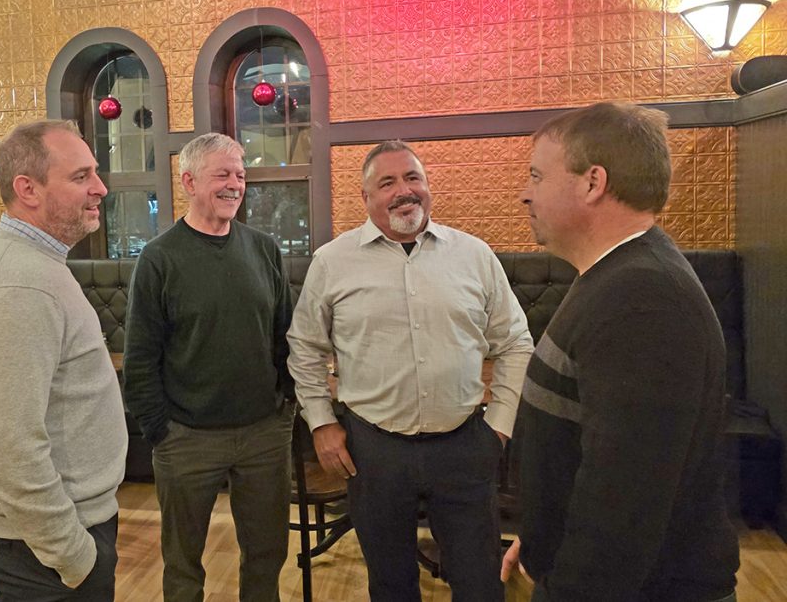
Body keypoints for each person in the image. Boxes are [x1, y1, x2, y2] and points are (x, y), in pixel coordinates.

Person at [501, 102, 740, 601]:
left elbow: (623, 506)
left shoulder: (643, 299)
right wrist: (540, 541)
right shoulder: (619, 275)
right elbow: (595, 455)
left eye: (537, 175)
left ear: (593, 183)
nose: (524, 194)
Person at [287, 140, 534, 602]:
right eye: (388, 182)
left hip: (464, 445)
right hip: (373, 451)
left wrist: (499, 427)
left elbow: (516, 342)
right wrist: (320, 422)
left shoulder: (474, 255)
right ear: (366, 199)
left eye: (413, 178)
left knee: (481, 583)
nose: (404, 191)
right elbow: (304, 348)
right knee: (391, 585)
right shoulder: (332, 262)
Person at [0, 119, 128, 600]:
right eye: (81, 176)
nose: (100, 188)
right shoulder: (17, 285)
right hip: (41, 546)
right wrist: (73, 556)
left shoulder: (34, 266)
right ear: (27, 188)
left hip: (51, 534)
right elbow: (9, 453)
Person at [123, 132, 294, 602]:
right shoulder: (159, 258)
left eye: (240, 175)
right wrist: (161, 431)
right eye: (222, 174)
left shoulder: (264, 249)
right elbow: (140, 358)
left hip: (264, 433)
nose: (234, 184)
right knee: (183, 565)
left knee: (266, 554)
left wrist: (286, 409)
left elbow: (285, 335)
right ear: (188, 182)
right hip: (187, 438)